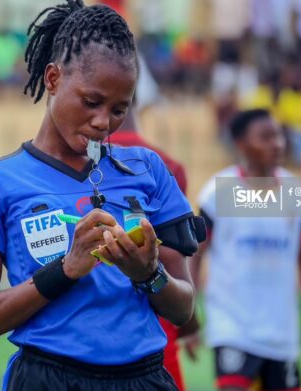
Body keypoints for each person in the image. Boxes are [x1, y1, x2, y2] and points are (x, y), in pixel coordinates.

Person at [0, 1, 205, 390]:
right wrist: (66, 269)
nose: (104, 123)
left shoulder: (148, 170)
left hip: (144, 378)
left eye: (120, 108)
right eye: (92, 102)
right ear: (52, 79)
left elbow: (184, 307)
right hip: (47, 378)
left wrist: (148, 274)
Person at [185, 109, 301, 391]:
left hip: (281, 335)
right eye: (266, 137)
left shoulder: (294, 191)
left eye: (279, 135)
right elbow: (196, 256)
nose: (278, 143)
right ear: (241, 144)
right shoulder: (219, 192)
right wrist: (190, 317)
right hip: (233, 328)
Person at [108, 105, 194, 391]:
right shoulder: (167, 165)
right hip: (154, 334)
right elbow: (174, 262)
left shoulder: (77, 159)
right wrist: (192, 324)